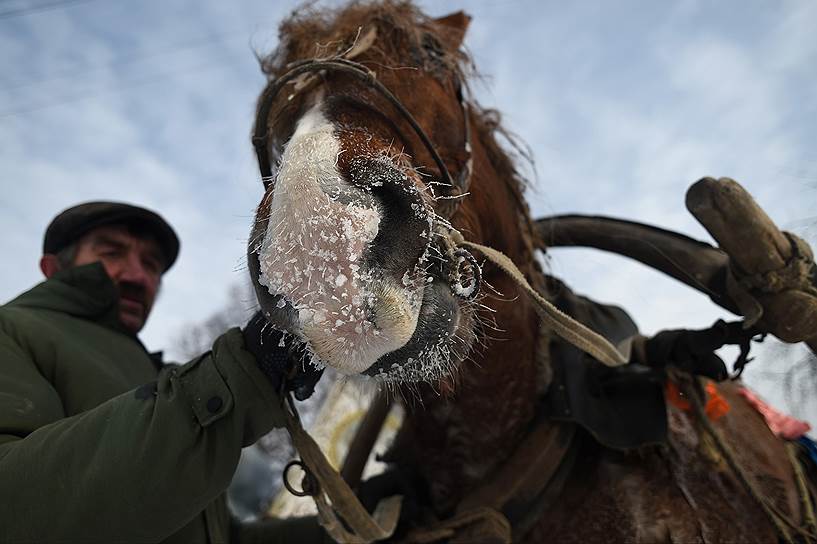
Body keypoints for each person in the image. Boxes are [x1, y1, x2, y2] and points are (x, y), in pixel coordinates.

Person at [0, 201, 328, 543]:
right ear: (52, 267)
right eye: (112, 253)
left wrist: (352, 527)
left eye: (151, 264)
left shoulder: (156, 373)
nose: (138, 276)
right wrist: (243, 376)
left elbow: (218, 537)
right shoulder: (11, 331)